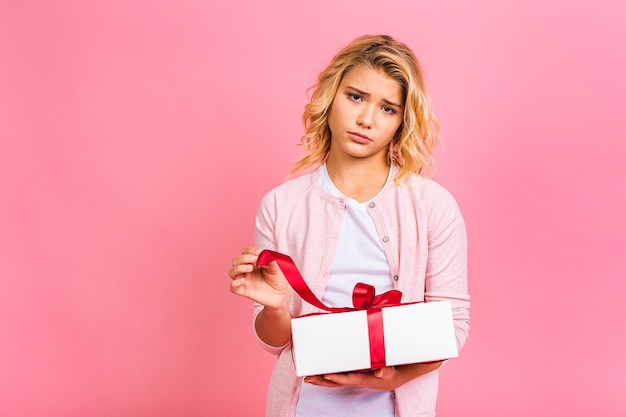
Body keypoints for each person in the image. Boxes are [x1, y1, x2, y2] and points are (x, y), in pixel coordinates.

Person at [228, 34, 470, 417]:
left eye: (388, 108)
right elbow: (275, 343)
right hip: (302, 407)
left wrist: (389, 379)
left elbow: (452, 326)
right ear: (331, 95)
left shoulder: (432, 206)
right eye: (356, 96)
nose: (366, 119)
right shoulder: (281, 205)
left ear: (402, 121)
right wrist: (274, 308)